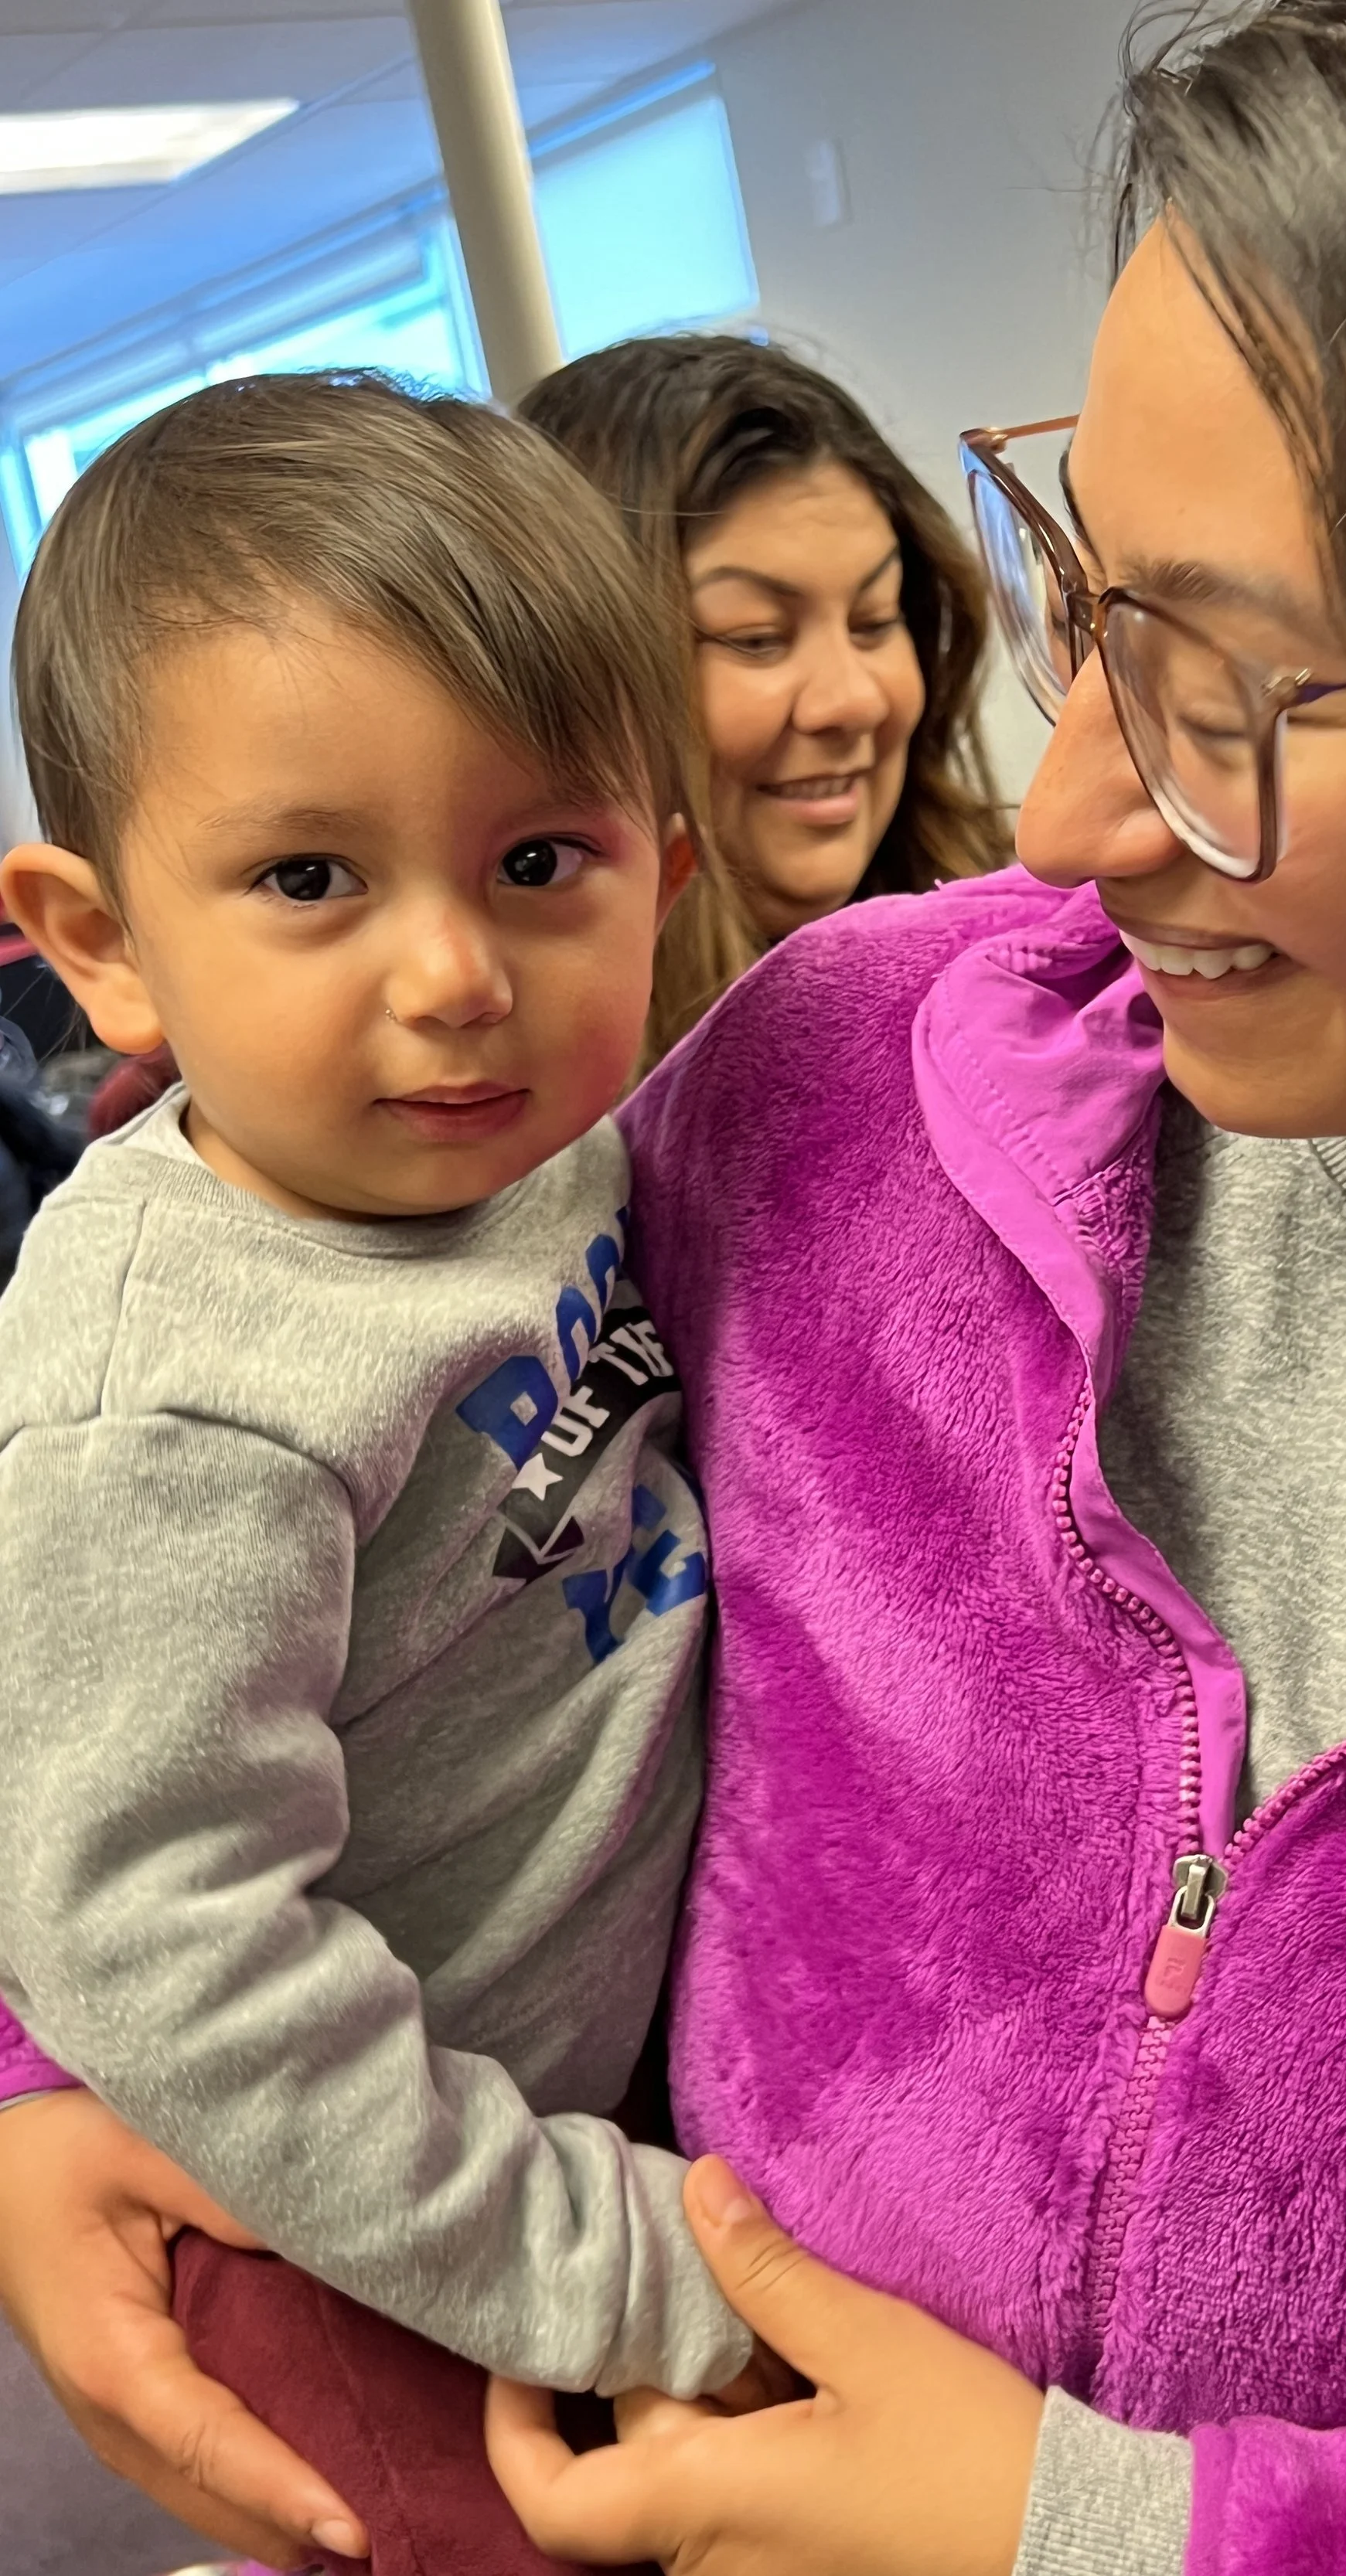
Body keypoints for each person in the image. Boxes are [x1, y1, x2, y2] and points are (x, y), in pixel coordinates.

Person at [8, 3, 1346, 2573]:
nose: (1059, 809)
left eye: (1241, 688)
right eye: (1081, 599)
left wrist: (1119, 2533)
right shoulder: (858, 1080)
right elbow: (224, 1616)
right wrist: (54, 2073)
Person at [0, 372, 779, 2574]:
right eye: (309, 878)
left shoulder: (545, 1159)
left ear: (664, 868)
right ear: (100, 938)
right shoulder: (176, 1384)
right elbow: (156, 1932)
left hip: (567, 2086)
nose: (450, 975)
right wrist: (606, 2258)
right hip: (353, 2222)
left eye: (540, 862)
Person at [520, 332, 1008, 1063]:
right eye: (755, 638)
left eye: (875, 620)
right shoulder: (516, 1113)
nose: (851, 702)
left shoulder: (1028, 975)